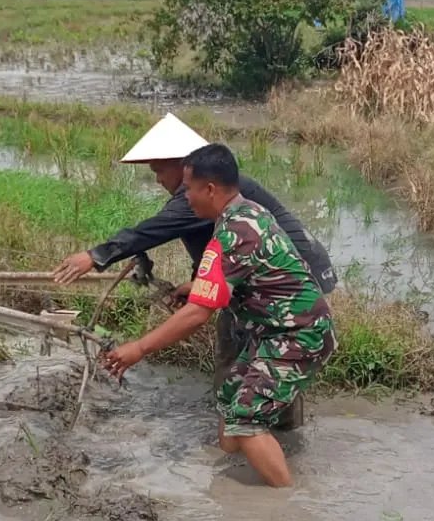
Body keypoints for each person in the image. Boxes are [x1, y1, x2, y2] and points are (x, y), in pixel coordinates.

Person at [52, 113, 336, 427]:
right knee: (269, 358)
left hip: (289, 281)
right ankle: (264, 426)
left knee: (245, 349)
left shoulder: (207, 195)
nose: (158, 179)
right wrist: (197, 283)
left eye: (159, 170)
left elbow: (151, 231)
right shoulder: (220, 196)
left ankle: (251, 430)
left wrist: (95, 255)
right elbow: (216, 255)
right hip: (291, 275)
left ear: (186, 166)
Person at [99, 144, 336, 489]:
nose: (186, 199)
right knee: (230, 394)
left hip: (298, 336)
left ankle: (286, 504)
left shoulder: (231, 233)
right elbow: (244, 272)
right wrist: (197, 283)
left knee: (245, 418)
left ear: (209, 189)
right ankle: (231, 480)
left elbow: (197, 313)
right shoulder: (249, 212)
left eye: (188, 190)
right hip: (275, 332)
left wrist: (138, 348)